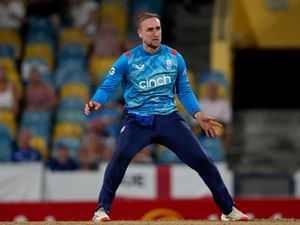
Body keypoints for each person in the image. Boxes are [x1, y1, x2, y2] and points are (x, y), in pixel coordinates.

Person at [84, 12, 249, 222]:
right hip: (137, 120)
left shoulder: (174, 57)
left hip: (169, 119)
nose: (155, 33)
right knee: (120, 158)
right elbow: (108, 85)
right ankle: (101, 210)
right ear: (140, 33)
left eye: (158, 29)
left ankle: (228, 210)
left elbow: (185, 91)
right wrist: (96, 100)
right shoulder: (127, 60)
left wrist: (197, 114)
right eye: (150, 29)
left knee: (203, 160)